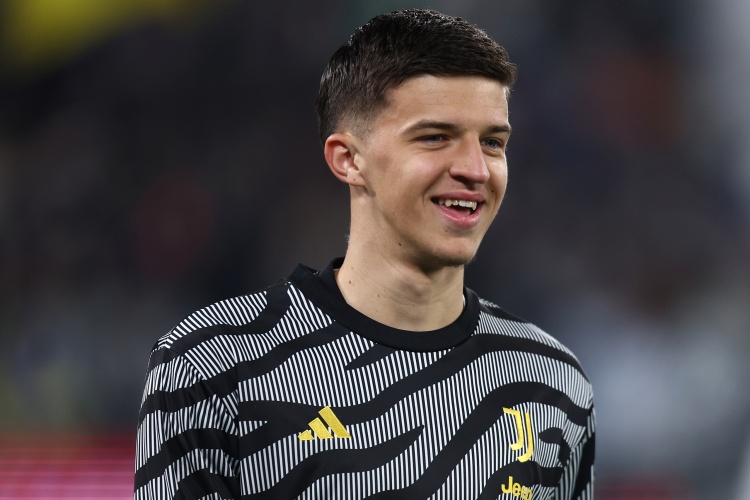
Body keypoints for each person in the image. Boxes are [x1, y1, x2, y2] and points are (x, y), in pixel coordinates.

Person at [135, 9, 595, 499]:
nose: (475, 169)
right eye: (435, 137)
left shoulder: (553, 384)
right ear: (349, 159)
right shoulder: (211, 367)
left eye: (493, 142)